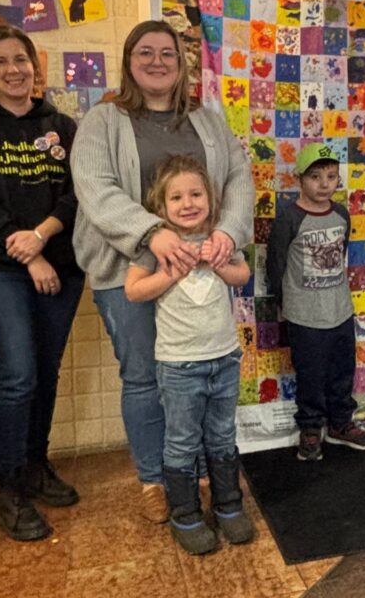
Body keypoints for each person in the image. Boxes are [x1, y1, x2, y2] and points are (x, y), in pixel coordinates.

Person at [70, 20, 253, 523]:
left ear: (181, 63)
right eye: (145, 52)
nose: (157, 61)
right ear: (129, 61)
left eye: (167, 53)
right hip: (128, 271)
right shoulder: (102, 121)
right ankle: (155, 478)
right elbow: (96, 188)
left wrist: (229, 234)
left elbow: (238, 178)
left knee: (196, 376)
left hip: (200, 272)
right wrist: (153, 233)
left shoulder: (207, 120)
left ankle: (194, 473)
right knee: (146, 378)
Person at [0, 25, 83, 541]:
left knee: (45, 375)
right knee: (18, 376)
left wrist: (43, 237)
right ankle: (9, 489)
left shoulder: (63, 127)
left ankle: (34, 466)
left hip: (60, 266)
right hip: (3, 267)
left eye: (20, 59)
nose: (13, 70)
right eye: (0, 62)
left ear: (34, 64)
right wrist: (27, 254)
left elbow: (77, 193)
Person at [124, 155, 253, 555]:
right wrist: (170, 274)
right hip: (180, 366)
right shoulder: (157, 246)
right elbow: (133, 290)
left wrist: (218, 263)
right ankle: (185, 514)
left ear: (210, 200)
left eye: (196, 194)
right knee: (181, 441)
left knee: (221, 435)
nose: (188, 203)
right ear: (161, 208)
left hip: (224, 358)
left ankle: (229, 504)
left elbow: (242, 274)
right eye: (176, 197)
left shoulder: (219, 238)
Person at [266, 143, 365, 461]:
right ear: (299, 178)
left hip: (339, 310)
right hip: (305, 314)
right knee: (311, 374)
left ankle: (341, 424)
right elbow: (276, 264)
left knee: (343, 370)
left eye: (331, 176)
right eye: (315, 176)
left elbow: (341, 253)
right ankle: (311, 428)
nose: (324, 183)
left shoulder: (341, 213)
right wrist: (284, 303)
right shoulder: (290, 218)